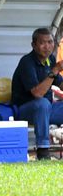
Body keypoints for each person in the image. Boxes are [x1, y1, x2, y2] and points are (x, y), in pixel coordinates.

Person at [11, 27, 63, 160]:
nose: (47, 46)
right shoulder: (26, 62)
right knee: (42, 103)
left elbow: (60, 84)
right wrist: (55, 70)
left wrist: (55, 72)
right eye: (43, 43)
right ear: (33, 45)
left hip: (47, 109)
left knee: (45, 105)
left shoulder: (50, 60)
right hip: (24, 110)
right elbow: (37, 94)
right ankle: (43, 150)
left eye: (50, 42)